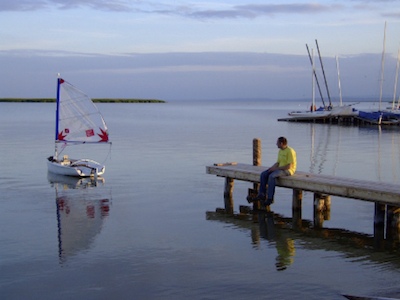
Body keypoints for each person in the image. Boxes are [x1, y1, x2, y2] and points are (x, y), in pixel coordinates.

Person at [248, 137, 296, 206]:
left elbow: (289, 166)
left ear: (281, 143)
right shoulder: (281, 151)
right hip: (279, 168)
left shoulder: (290, 151)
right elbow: (278, 163)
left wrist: (275, 169)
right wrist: (271, 168)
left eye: (277, 143)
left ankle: (270, 198)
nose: (276, 144)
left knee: (272, 176)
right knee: (264, 174)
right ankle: (261, 194)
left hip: (288, 171)